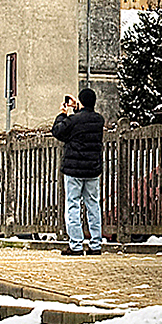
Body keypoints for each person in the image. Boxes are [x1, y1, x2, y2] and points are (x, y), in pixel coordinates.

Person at [52, 87, 105, 255]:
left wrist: (63, 113)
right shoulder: (99, 121)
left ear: (81, 102)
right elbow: (85, 120)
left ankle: (75, 245)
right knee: (93, 206)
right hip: (92, 171)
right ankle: (95, 245)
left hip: (73, 171)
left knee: (73, 205)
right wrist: (78, 108)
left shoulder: (73, 120)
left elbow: (58, 131)